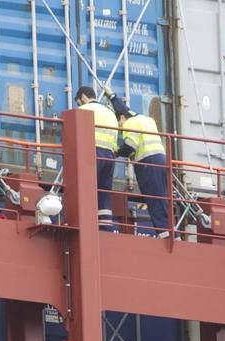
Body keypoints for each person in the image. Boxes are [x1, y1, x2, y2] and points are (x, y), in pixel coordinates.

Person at [113, 99, 171, 238]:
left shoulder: (129, 123)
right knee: (162, 198)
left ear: (122, 117)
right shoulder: (147, 120)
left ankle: (164, 235)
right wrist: (112, 96)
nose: (120, 129)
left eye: (119, 125)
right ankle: (172, 233)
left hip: (146, 163)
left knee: (153, 199)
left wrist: (115, 153)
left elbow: (130, 146)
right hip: (160, 160)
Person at [73, 86, 120, 231]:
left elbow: (75, 134)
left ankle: (85, 224)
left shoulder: (84, 110)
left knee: (86, 188)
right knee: (104, 190)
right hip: (110, 156)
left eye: (79, 102)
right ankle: (105, 225)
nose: (80, 105)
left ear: (83, 97)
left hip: (92, 153)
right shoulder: (110, 113)